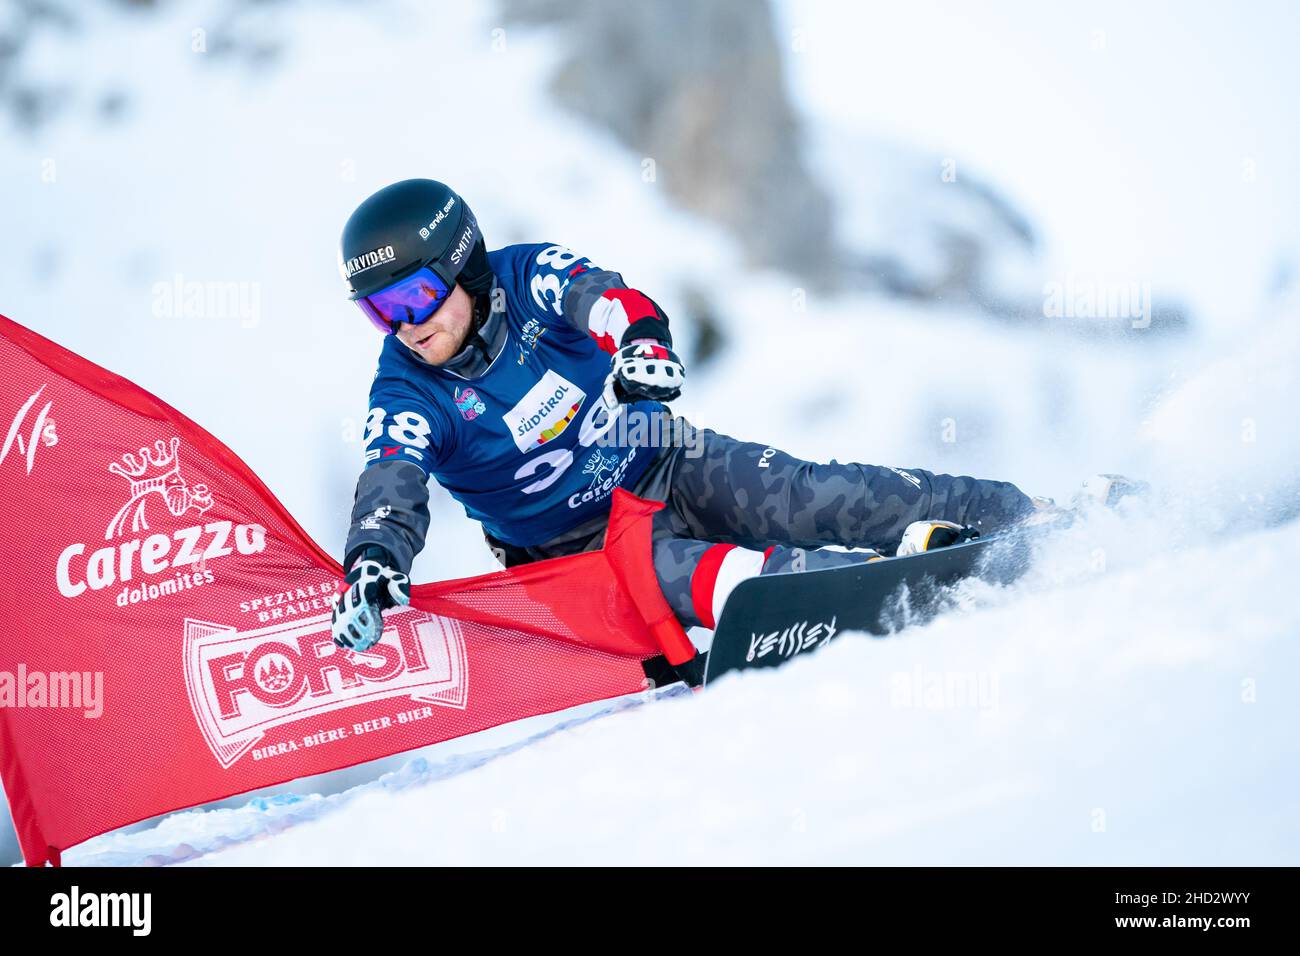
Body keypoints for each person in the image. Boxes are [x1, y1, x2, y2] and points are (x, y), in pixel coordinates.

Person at [329, 179, 1037, 653]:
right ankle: (882, 577)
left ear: (462, 266)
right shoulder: (406, 391)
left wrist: (640, 347)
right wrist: (373, 561)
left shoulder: (526, 277)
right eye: (378, 312)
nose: (405, 326)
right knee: (702, 574)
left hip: (663, 456)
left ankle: (1023, 514)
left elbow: (606, 300)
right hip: (570, 552)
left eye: (414, 297)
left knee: (816, 493)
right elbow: (391, 480)